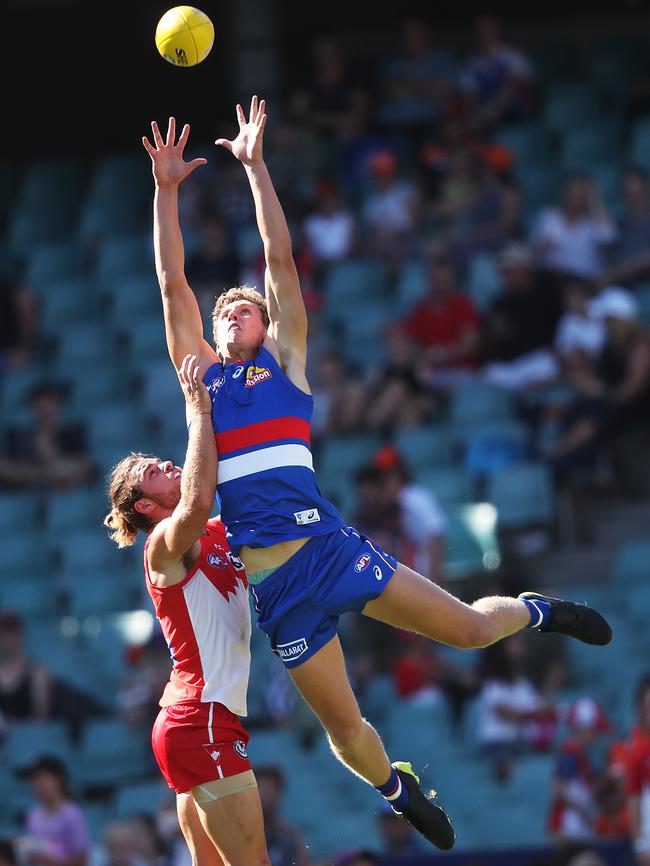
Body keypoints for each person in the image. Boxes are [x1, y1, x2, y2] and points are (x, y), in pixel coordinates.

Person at [143, 100, 612, 852]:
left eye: (244, 307)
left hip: (330, 548)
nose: (231, 309)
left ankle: (536, 609)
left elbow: (279, 261)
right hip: (278, 587)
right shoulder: (203, 383)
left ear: (269, 325)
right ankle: (399, 790)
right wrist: (167, 192)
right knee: (344, 727)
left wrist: (257, 169)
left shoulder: (285, 366)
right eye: (223, 309)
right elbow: (172, 286)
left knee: (464, 630)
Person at [104, 352, 270, 866]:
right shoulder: (162, 542)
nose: (168, 463)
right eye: (155, 473)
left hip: (195, 721)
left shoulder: (216, 530)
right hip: (203, 721)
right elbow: (197, 502)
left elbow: (218, 479)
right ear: (148, 508)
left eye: (162, 461)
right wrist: (198, 410)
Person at [474, 634, 555, 783]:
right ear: (502, 647)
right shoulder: (491, 678)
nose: (520, 647)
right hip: (497, 742)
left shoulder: (520, 678)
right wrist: (532, 714)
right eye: (515, 643)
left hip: (519, 740)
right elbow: (503, 711)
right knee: (506, 769)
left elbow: (537, 704)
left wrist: (547, 705)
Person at [0, 382, 95, 491]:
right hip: (29, 482)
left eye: (50, 404)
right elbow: (11, 466)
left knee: (78, 467)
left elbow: (83, 463)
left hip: (65, 481)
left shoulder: (73, 432)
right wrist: (45, 472)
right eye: (39, 405)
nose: (45, 410)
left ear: (59, 405)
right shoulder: (18, 434)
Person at [529, 172, 617, 282]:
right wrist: (542, 248)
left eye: (580, 195)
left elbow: (608, 238)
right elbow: (532, 255)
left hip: (585, 283)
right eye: (572, 194)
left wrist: (595, 200)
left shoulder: (596, 220)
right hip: (552, 280)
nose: (575, 200)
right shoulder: (549, 216)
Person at [16, 754, 91, 866]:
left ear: (56, 779)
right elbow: (31, 849)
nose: (34, 784)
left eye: (39, 778)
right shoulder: (33, 814)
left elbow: (83, 859)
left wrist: (53, 862)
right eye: (31, 780)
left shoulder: (72, 813)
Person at [0, 610, 52, 722]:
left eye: (13, 634)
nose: (8, 639)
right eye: (4, 634)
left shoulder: (37, 671)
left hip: (28, 737)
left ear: (21, 635)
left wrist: (13, 723)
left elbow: (41, 714)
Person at [254, 766, 310, 866]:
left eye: (275, 788)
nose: (271, 793)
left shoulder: (289, 835)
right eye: (266, 788)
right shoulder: (236, 834)